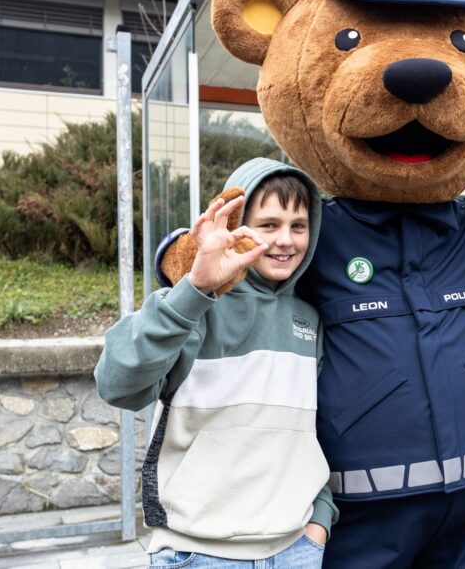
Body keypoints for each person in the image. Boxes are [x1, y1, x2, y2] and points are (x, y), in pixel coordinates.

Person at [94, 158, 338, 568]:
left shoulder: (308, 319)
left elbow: (312, 433)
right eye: (268, 225)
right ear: (235, 225)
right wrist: (196, 288)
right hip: (198, 553)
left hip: (296, 549)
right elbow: (116, 385)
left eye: (298, 226)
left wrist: (320, 519)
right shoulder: (191, 306)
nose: (285, 240)